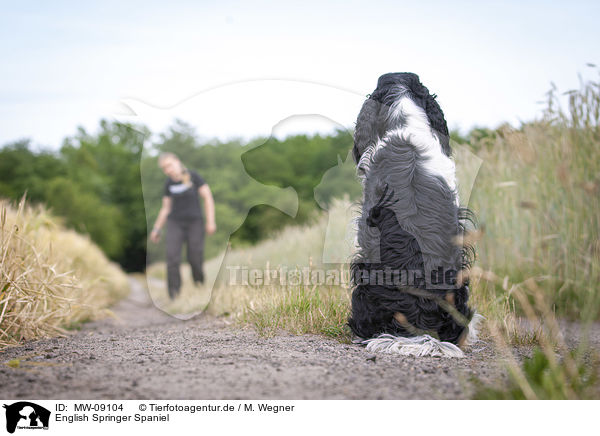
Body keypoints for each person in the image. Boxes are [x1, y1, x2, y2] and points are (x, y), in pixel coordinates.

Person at [150, 152, 216, 299]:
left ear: (177, 161)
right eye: (164, 168)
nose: (168, 170)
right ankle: (174, 296)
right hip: (175, 223)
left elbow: (208, 198)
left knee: (195, 257)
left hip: (195, 222)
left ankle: (199, 287)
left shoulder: (194, 176)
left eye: (169, 165)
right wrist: (157, 228)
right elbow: (166, 208)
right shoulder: (168, 184)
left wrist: (210, 221)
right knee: (172, 258)